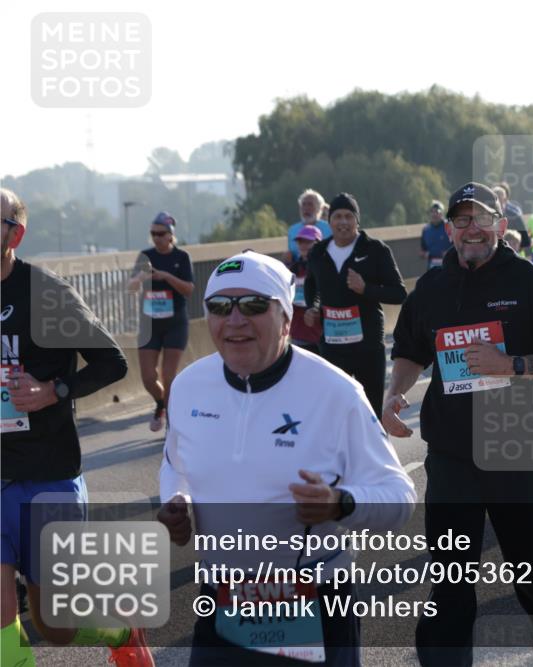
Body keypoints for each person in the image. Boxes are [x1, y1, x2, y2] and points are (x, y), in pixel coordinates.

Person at [158, 250, 416, 667]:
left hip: (311, 599)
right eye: (221, 307)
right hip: (220, 597)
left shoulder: (336, 392)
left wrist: (340, 503)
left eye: (255, 305)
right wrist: (178, 503)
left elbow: (399, 497)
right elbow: (174, 465)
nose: (236, 320)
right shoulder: (188, 386)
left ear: (286, 318)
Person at [384, 182, 533, 667]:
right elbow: (410, 350)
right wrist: (395, 392)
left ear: (500, 224)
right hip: (451, 452)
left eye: (480, 219)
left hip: (516, 445)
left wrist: (510, 365)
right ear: (449, 229)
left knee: (525, 563)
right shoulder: (431, 289)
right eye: (461, 219)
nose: (471, 228)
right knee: (451, 575)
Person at [1, 189, 150, 667]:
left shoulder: (45, 295)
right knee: (3, 620)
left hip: (48, 475)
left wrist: (52, 391)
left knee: (56, 626)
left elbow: (111, 363)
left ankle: (122, 630)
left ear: (16, 234)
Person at [303, 193, 406, 417]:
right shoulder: (318, 253)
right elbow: (312, 285)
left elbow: (399, 293)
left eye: (349, 216)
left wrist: (365, 289)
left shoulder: (375, 250)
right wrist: (313, 307)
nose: (343, 222)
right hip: (332, 346)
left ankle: (376, 451)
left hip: (367, 346)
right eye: (337, 216)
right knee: (335, 409)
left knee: (371, 412)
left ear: (357, 221)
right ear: (329, 221)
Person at [126, 212, 195, 432]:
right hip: (150, 324)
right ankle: (161, 403)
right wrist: (140, 278)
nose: (156, 238)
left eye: (161, 234)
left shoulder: (181, 257)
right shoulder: (145, 256)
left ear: (170, 235)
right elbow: (131, 287)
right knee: (148, 377)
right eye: (153, 234)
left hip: (175, 322)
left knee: (168, 375)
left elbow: (189, 289)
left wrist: (167, 277)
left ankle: (172, 422)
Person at [287, 225, 323, 353]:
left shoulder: (325, 267)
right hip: (299, 332)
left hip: (321, 334)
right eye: (300, 241)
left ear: (318, 243)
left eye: (308, 241)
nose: (303, 245)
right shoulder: (292, 269)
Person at [287, 189, 332, 261]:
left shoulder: (330, 228)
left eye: (310, 204)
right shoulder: (292, 230)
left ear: (320, 208)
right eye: (303, 204)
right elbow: (291, 255)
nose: (306, 208)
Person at [420, 200, 452, 269]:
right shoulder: (426, 230)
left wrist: (449, 254)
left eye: (437, 212)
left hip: (449, 267)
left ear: (442, 213)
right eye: (432, 211)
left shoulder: (450, 227)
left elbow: (458, 246)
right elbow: (422, 251)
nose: (434, 214)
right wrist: (425, 254)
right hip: (432, 268)